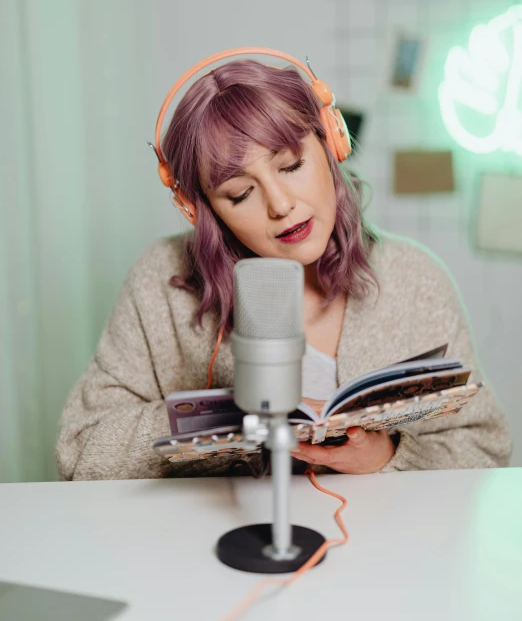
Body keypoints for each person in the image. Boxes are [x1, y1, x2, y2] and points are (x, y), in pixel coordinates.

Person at [56, 50, 512, 481]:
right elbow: (81, 452)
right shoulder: (161, 281)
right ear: (204, 211)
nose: (281, 205)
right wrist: (223, 419)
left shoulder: (415, 280)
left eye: (291, 166)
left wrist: (389, 455)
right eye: (240, 193)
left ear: (331, 144)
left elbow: (485, 448)